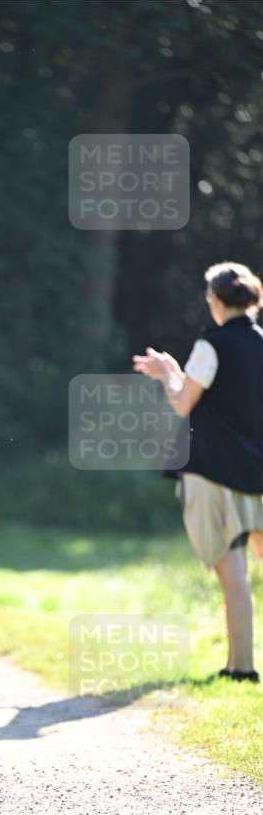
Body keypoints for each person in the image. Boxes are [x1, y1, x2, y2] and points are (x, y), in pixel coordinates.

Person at [133, 261, 263, 683]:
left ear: (216, 300)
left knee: (233, 574)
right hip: (257, 471)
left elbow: (183, 402)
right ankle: (241, 666)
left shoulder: (212, 345)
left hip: (214, 471)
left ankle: (241, 668)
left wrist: (169, 374)